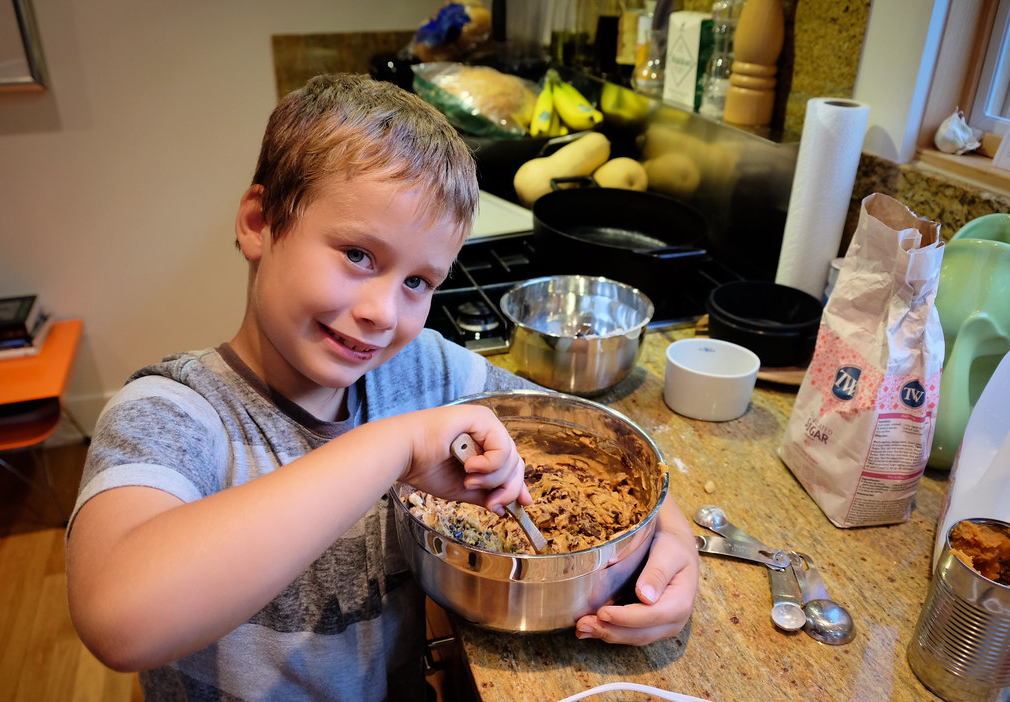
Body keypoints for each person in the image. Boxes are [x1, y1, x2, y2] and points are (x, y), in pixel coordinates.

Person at [66, 73, 699, 701]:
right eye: (359, 255)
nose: (383, 313)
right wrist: (395, 447)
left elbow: (582, 432)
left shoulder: (417, 371)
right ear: (259, 222)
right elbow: (120, 620)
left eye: (419, 282)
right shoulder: (172, 413)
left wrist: (669, 538)